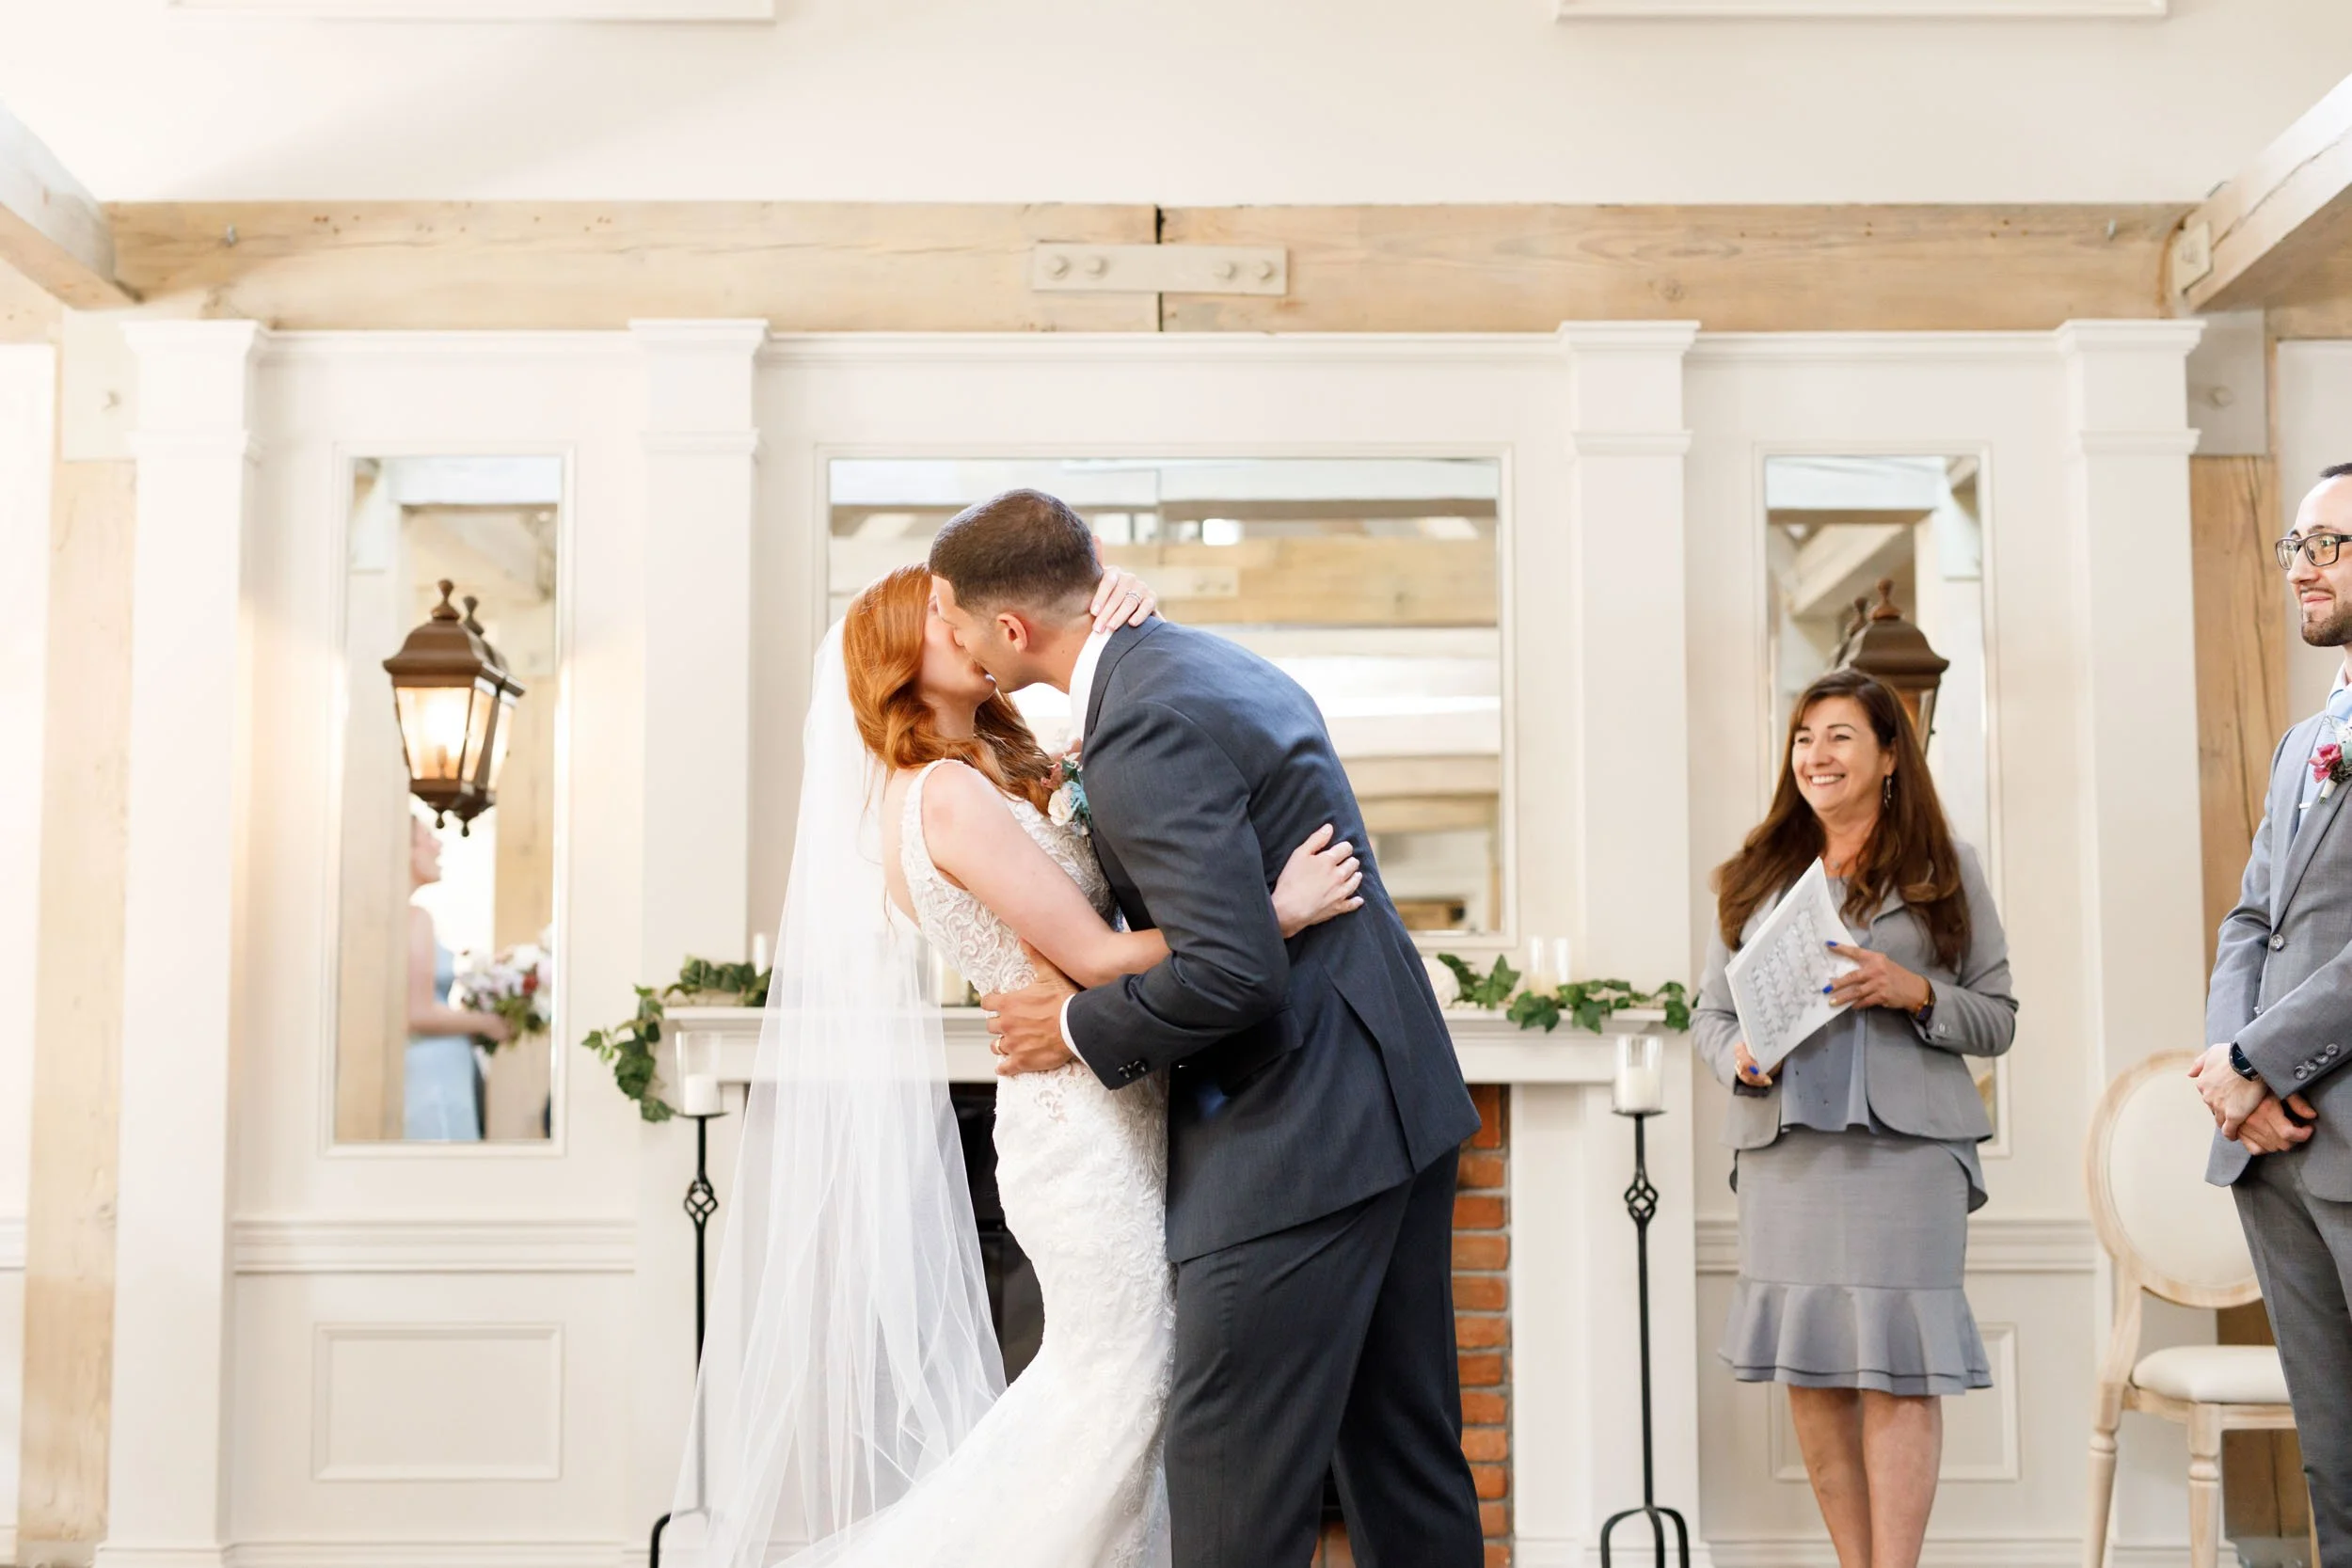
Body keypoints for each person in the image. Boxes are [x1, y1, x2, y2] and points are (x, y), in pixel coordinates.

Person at [678, 561, 1363, 1568]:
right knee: (1118, 1384)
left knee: (1133, 1387)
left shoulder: (999, 767)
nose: (962, 624)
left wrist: (1119, 609)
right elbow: (1091, 955)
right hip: (1077, 1124)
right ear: (896, 660)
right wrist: (1274, 912)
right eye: (937, 616)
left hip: (1114, 1094)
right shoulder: (942, 795)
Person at [955, 490, 1487, 1568]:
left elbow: (1234, 969)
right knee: (1404, 1457)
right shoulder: (1205, 663)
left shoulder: (1143, 720)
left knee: (1232, 1476)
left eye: (960, 621)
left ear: (1010, 629)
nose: (957, 643)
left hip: (1294, 1127)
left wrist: (1071, 1023)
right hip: (1387, 1099)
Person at [1692, 668, 2016, 1568]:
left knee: (1901, 1371)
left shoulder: (1945, 867)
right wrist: (1737, 1057)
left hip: (1907, 1160)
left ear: (1886, 757)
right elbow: (1708, 1013)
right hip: (1786, 1155)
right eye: (1804, 737)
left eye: (1838, 736)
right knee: (1817, 1370)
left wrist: (1913, 991)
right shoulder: (1757, 873)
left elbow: (1999, 1015)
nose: (1816, 754)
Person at [2194, 463, 2352, 1562]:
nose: (2306, 568)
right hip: (2274, 1143)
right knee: (2332, 1456)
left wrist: (2261, 1054)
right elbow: (2251, 915)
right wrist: (2224, 1066)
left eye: (2333, 544)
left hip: (2328, 1111)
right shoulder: (2305, 741)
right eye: (2298, 546)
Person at [405, 816, 509, 1140]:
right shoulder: (415, 918)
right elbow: (416, 1014)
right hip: (432, 1071)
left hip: (424, 1064)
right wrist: (487, 1022)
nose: (438, 845)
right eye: (427, 837)